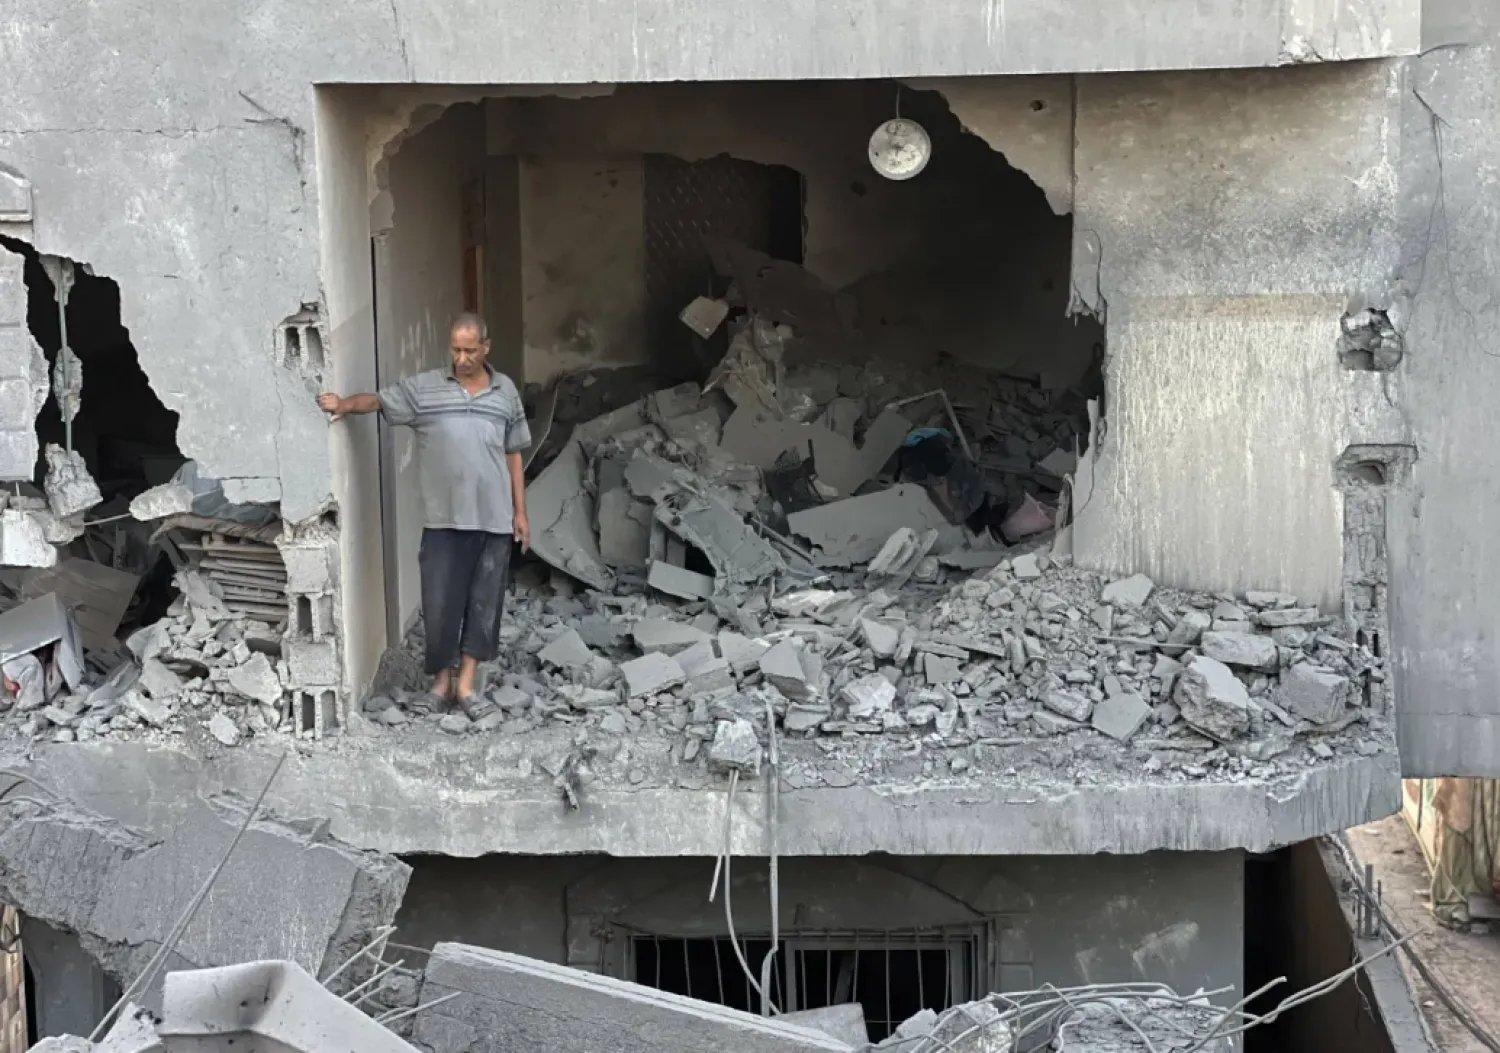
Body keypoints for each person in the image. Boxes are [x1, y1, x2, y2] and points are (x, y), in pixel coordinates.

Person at [316, 313, 530, 720]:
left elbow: (514, 452)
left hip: (494, 520)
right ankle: (440, 684)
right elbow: (380, 400)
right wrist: (344, 404)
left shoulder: (505, 392)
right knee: (440, 604)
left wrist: (521, 513)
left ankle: (467, 686)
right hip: (443, 520)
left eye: (470, 350)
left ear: (486, 347)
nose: (462, 357)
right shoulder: (426, 389)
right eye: (455, 349)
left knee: (484, 604)